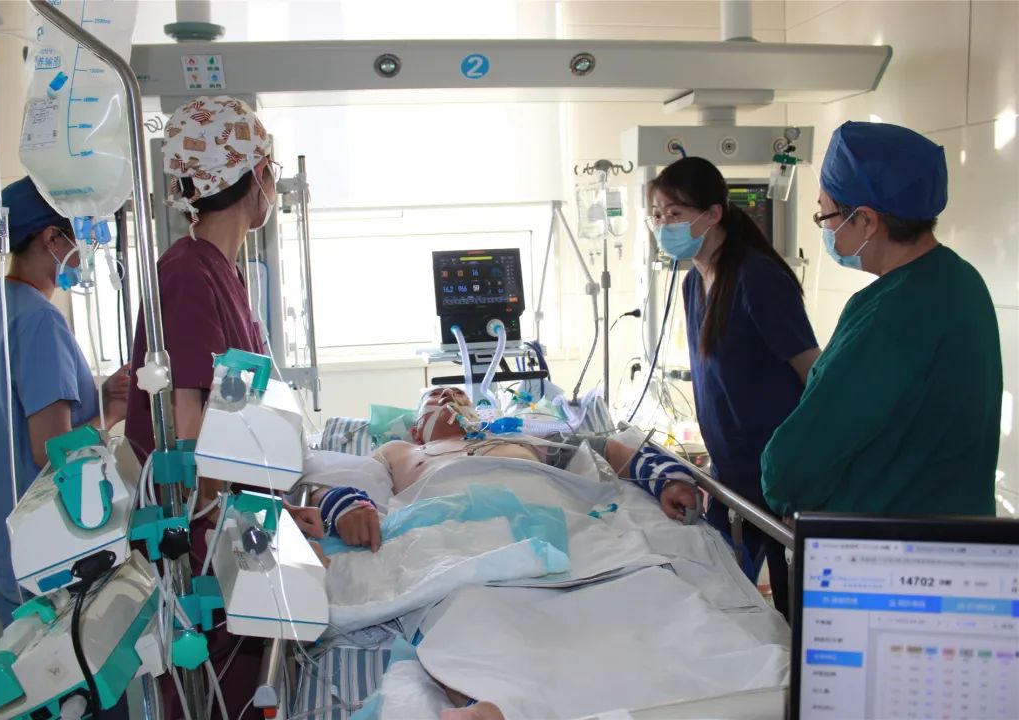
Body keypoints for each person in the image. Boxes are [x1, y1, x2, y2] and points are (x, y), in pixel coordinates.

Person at [124, 95, 324, 719]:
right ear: (259, 175)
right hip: (202, 556)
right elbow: (191, 446)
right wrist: (262, 535)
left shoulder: (222, 273)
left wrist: (276, 514)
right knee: (215, 698)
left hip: (225, 535)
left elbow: (237, 428)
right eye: (272, 173)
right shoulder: (186, 275)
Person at [762, 121, 1002, 517]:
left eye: (825, 215)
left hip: (889, 543)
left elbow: (797, 461)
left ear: (867, 220)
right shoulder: (961, 281)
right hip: (959, 534)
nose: (826, 228)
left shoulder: (891, 312)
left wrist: (780, 485)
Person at [0, 177, 130, 717]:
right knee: (73, 693)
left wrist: (99, 398)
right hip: (42, 553)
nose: (85, 247)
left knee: (31, 692)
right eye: (79, 234)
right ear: (52, 239)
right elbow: (51, 452)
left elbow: (19, 415)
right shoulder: (40, 319)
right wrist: (111, 416)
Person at [645, 157, 821, 618]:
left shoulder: (758, 279)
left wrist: (805, 478)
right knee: (720, 606)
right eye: (657, 215)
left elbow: (816, 376)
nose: (663, 226)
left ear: (713, 214)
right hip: (732, 479)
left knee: (792, 615)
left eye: (675, 214)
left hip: (781, 479)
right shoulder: (694, 284)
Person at [315, 386, 701, 550]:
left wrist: (665, 478)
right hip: (451, 535)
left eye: (458, 395)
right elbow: (341, 481)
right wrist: (344, 505)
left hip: (547, 523)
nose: (448, 396)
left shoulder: (521, 438)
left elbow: (606, 450)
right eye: (436, 397)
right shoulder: (399, 450)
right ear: (417, 428)